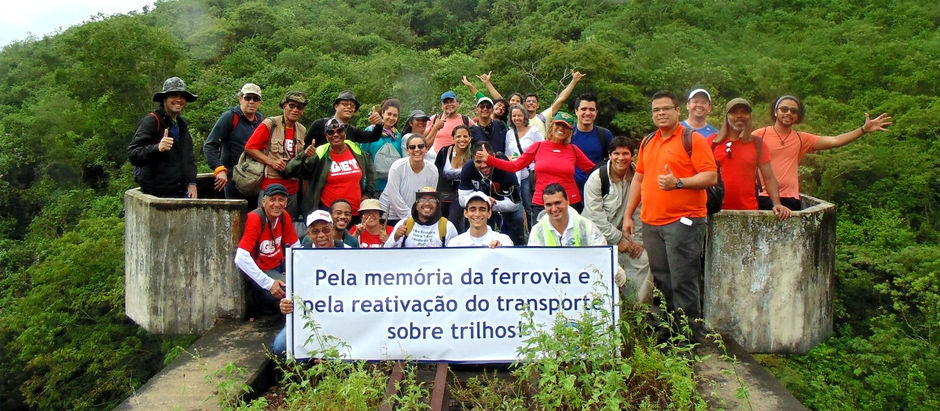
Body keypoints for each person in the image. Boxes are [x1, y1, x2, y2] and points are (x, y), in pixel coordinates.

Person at [622, 90, 718, 340]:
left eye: (666, 108)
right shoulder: (648, 141)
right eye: (656, 110)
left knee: (683, 279)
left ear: (678, 110)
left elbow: (710, 176)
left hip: (683, 221)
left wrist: (679, 183)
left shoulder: (693, 139)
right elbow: (639, 179)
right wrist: (628, 215)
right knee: (662, 279)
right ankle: (667, 328)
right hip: (652, 222)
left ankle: (689, 334)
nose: (661, 113)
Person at [752, 94, 892, 210]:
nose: (789, 113)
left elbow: (835, 141)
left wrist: (863, 130)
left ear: (798, 116)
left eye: (794, 111)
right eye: (784, 109)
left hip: (791, 198)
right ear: (776, 112)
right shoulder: (760, 134)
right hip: (764, 196)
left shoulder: (802, 139)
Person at [479, 111, 595, 216]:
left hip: (570, 201)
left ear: (570, 131)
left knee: (571, 239)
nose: (561, 128)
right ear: (551, 126)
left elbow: (593, 170)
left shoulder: (573, 150)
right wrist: (489, 159)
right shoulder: (538, 146)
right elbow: (515, 166)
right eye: (558, 124)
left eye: (566, 126)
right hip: (542, 202)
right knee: (541, 238)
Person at [581, 136, 651, 302]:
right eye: (616, 154)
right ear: (609, 155)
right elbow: (594, 216)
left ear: (632, 155)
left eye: (625, 153)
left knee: (643, 260)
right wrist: (618, 239)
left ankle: (637, 312)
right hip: (597, 236)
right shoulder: (597, 178)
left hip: (627, 235)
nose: (621, 158)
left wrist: (637, 242)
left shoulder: (639, 176)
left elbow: (640, 212)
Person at [270, 209, 346, 356]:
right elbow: (293, 291)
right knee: (280, 347)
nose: (321, 235)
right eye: (315, 231)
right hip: (308, 316)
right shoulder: (298, 257)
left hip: (340, 313)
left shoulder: (348, 252)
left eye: (326, 230)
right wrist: (285, 303)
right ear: (309, 234)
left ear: (332, 228)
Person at [709, 98, 791, 219]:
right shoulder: (712, 142)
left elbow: (769, 178)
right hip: (715, 210)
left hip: (748, 212)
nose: (740, 116)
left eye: (744, 112)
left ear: (749, 116)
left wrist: (777, 203)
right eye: (734, 112)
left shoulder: (757, 144)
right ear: (727, 116)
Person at [244, 91, 308, 234]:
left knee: (286, 228)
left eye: (299, 107)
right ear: (284, 105)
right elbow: (250, 148)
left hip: (292, 189)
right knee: (265, 226)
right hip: (271, 185)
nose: (295, 110)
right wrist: (271, 162)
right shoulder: (270, 124)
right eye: (292, 105)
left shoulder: (302, 130)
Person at [286, 117, 376, 218]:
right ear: (326, 136)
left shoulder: (355, 149)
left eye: (339, 131)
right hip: (328, 212)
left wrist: (368, 193)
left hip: (355, 212)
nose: (335, 134)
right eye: (330, 132)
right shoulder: (320, 153)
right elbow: (290, 170)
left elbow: (371, 173)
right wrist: (304, 155)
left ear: (345, 132)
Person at [234, 184, 300, 316]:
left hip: (280, 266)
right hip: (262, 273)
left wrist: (298, 270)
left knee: (303, 287)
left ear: (286, 202)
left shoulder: (283, 216)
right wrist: (269, 284)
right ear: (264, 201)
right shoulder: (255, 218)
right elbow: (240, 257)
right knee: (293, 295)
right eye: (272, 199)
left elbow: (296, 246)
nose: (277, 204)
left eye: (281, 200)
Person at [127, 76, 199, 198]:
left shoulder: (181, 124)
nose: (179, 100)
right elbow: (133, 154)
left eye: (182, 96)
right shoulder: (152, 121)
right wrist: (157, 148)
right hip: (157, 195)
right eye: (173, 96)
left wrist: (191, 183)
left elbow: (188, 158)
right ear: (164, 99)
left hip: (179, 191)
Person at [203, 83, 264, 200]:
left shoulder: (260, 120)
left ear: (260, 102)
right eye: (248, 98)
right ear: (241, 99)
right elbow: (210, 145)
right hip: (233, 178)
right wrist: (219, 168)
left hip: (254, 178)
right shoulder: (230, 117)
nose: (251, 102)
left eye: (255, 99)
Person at [459, 142, 524, 245]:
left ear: (493, 156)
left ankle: (516, 246)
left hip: (503, 201)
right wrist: (483, 202)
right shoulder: (468, 168)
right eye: (479, 162)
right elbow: (462, 200)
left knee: (517, 219)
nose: (484, 165)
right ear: (472, 159)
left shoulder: (505, 167)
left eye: (486, 160)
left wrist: (495, 205)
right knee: (474, 215)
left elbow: (515, 204)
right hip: (480, 202)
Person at [379, 134, 439, 225]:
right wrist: (410, 216)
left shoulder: (433, 170)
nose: (416, 149)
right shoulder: (397, 167)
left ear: (426, 149)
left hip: (416, 216)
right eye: (412, 147)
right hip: (390, 215)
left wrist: (418, 216)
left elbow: (429, 197)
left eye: (421, 146)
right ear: (407, 151)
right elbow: (393, 195)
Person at [504, 104, 545, 229]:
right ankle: (522, 236)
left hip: (529, 174)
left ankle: (535, 234)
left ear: (525, 116)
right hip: (515, 175)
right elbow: (507, 154)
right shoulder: (509, 134)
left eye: (519, 115)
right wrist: (510, 159)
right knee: (517, 208)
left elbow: (543, 150)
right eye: (514, 116)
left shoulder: (533, 131)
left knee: (530, 206)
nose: (517, 118)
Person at [527, 184, 605, 247]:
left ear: (568, 200)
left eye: (558, 203)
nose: (554, 209)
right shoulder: (537, 231)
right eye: (548, 205)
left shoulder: (586, 226)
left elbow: (601, 255)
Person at [384, 187, 458, 247]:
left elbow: (454, 255)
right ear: (416, 206)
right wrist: (395, 237)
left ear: (437, 206)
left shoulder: (448, 226)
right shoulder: (404, 224)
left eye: (432, 200)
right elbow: (387, 252)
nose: (427, 203)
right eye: (422, 200)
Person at [306, 90, 383, 147]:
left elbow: (373, 137)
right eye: (345, 104)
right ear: (336, 106)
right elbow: (306, 148)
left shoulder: (353, 131)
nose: (349, 107)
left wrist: (379, 123)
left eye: (352, 105)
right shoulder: (320, 124)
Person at [571, 93, 614, 194]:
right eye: (584, 109)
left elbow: (612, 160)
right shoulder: (568, 134)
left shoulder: (604, 135)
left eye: (592, 109)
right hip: (572, 190)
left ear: (596, 112)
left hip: (597, 188)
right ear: (576, 111)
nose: (588, 113)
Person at [434, 125, 473, 232]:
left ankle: (455, 246)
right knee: (440, 224)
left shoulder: (473, 155)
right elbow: (436, 172)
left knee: (453, 222)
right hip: (442, 194)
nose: (462, 139)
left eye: (465, 136)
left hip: (461, 195)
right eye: (458, 136)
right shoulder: (444, 152)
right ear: (453, 138)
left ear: (470, 138)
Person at [360, 98, 404, 192]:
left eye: (395, 115)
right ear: (382, 113)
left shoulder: (398, 136)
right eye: (389, 114)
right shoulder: (371, 131)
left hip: (392, 187)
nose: (391, 118)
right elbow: (362, 156)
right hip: (372, 186)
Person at [525, 71, 586, 136]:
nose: (531, 103)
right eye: (528, 101)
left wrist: (574, 81)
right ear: (523, 105)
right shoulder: (518, 120)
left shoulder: (543, 117)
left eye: (534, 101)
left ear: (538, 105)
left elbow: (561, 99)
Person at [447, 191, 514, 247]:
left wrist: (501, 250)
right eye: (472, 210)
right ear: (466, 213)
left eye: (482, 209)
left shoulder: (504, 241)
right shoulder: (455, 244)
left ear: (489, 213)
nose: (477, 214)